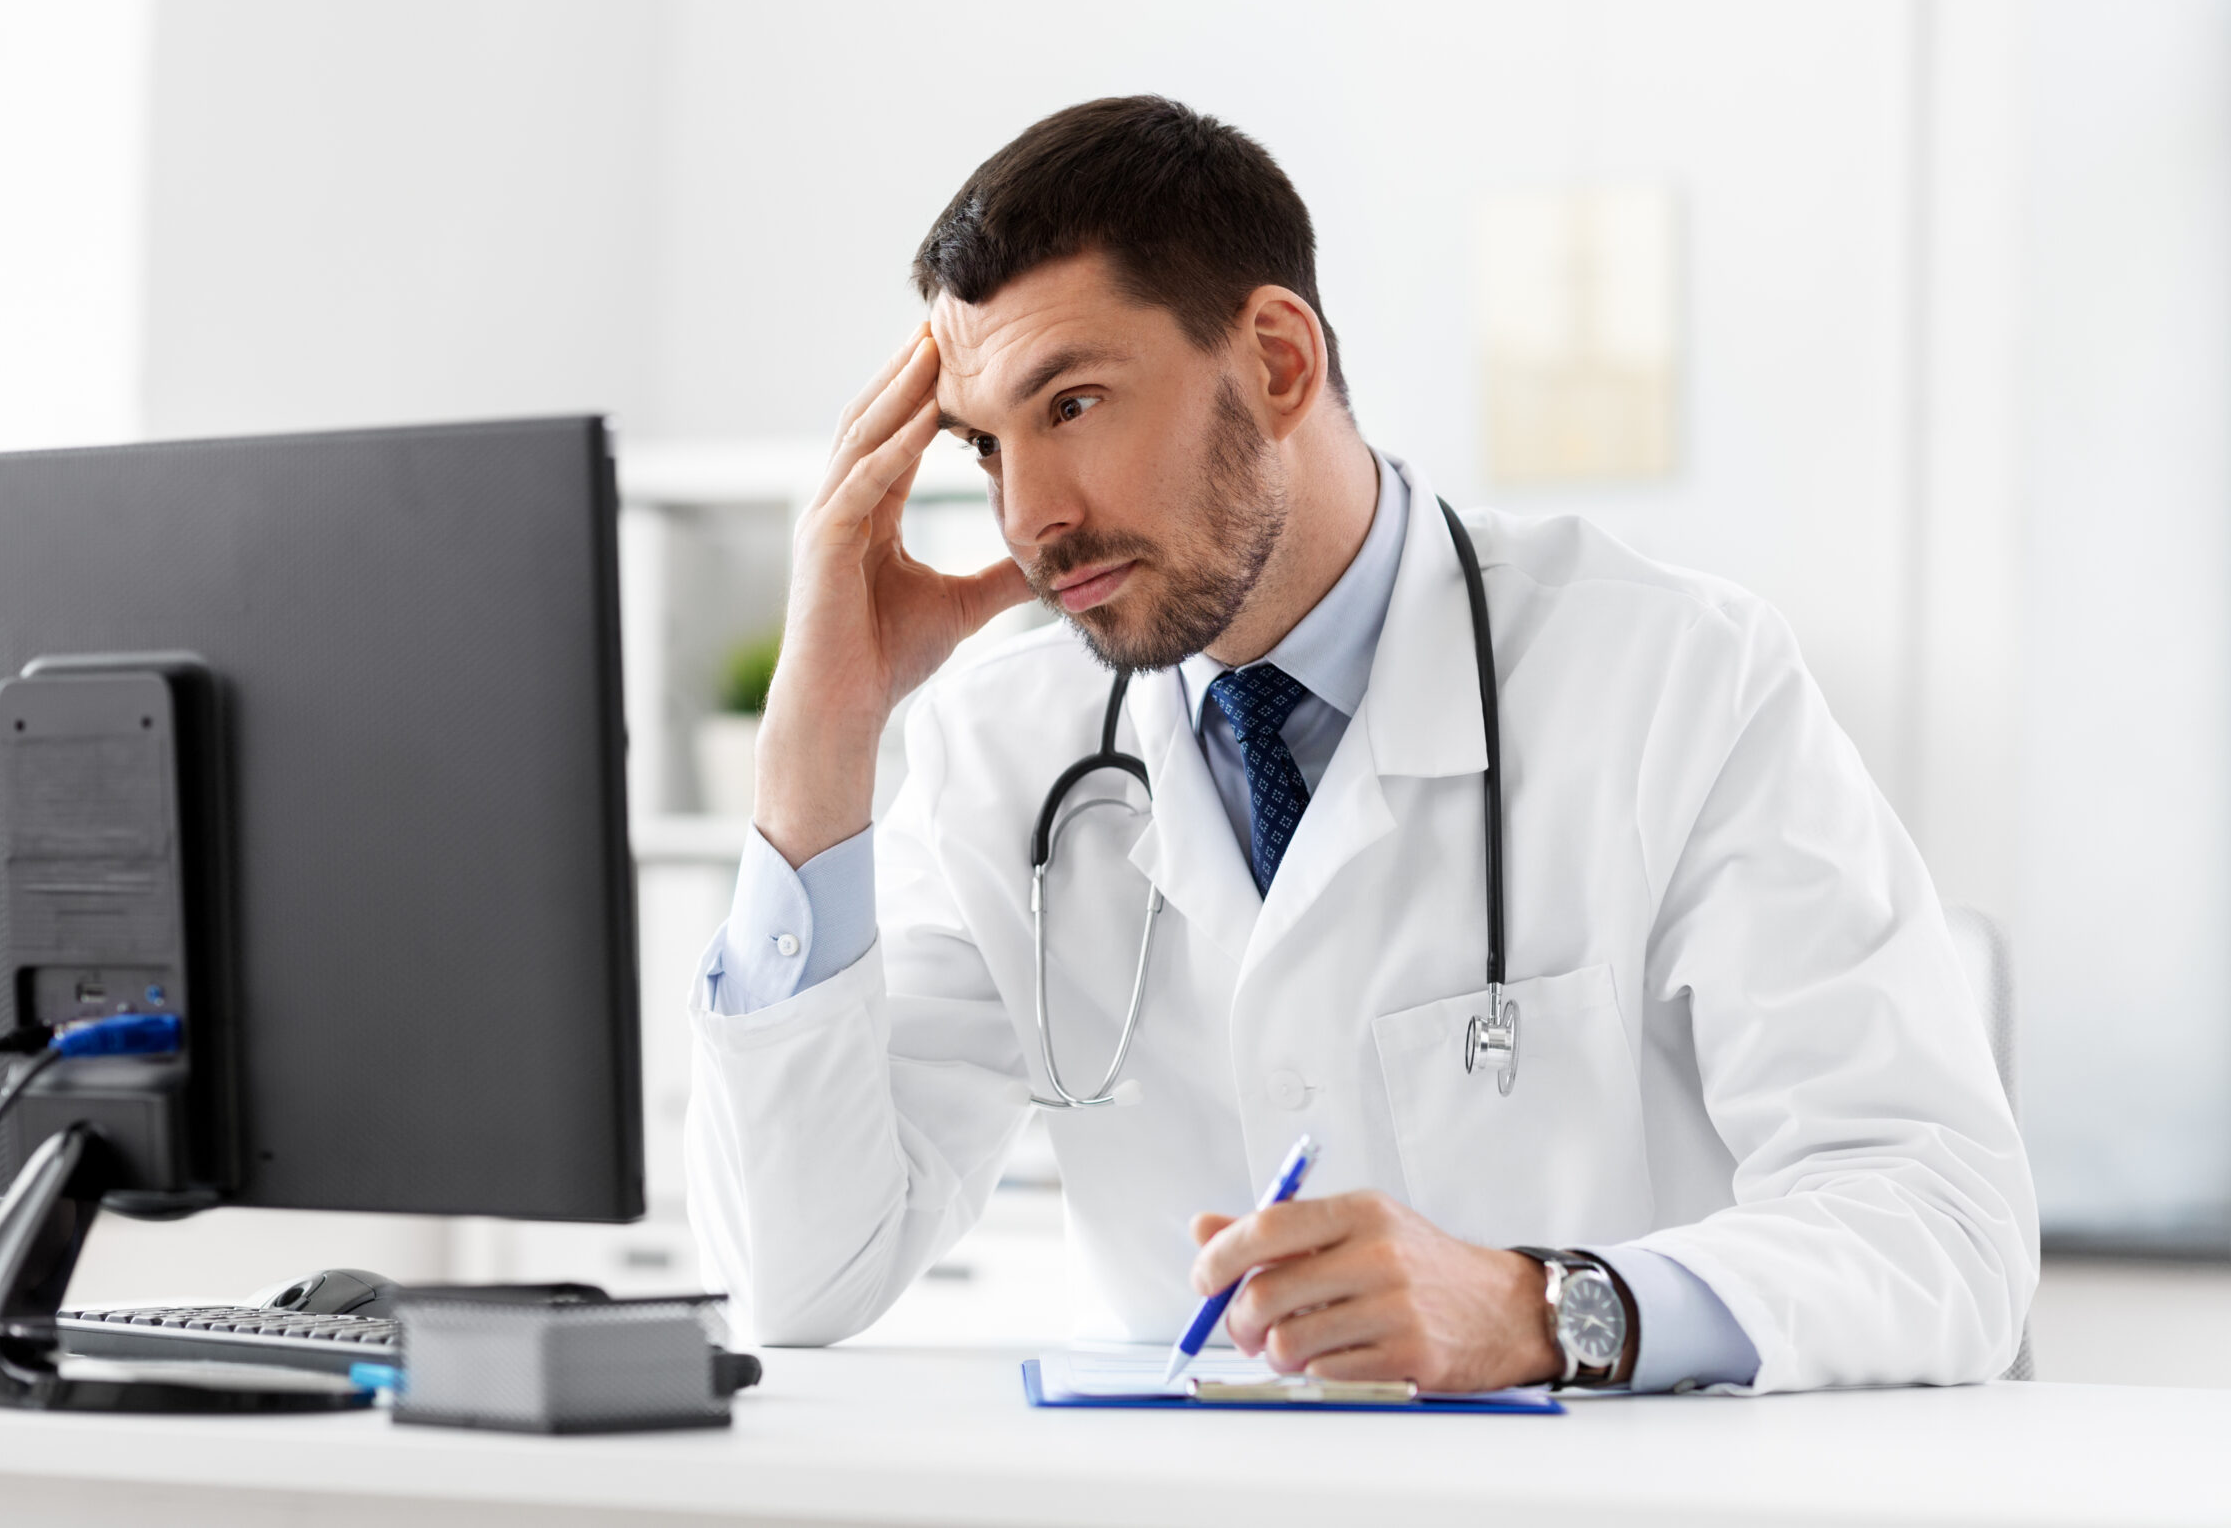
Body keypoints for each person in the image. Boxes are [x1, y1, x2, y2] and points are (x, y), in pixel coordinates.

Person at [685, 95, 2036, 1393]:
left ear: (1278, 360)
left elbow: (1942, 1221)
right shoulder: (1004, 747)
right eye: (984, 448)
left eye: (1075, 405)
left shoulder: (1677, 677)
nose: (1032, 515)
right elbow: (800, 1275)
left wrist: (1539, 1309)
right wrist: (817, 750)